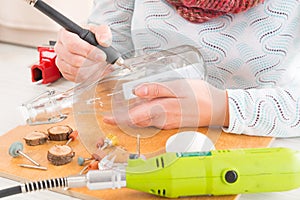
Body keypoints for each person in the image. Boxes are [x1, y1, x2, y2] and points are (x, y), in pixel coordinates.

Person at [54, 0, 300, 137]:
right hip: (142, 139)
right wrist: (83, 58)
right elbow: (111, 48)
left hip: (265, 155)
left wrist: (221, 108)